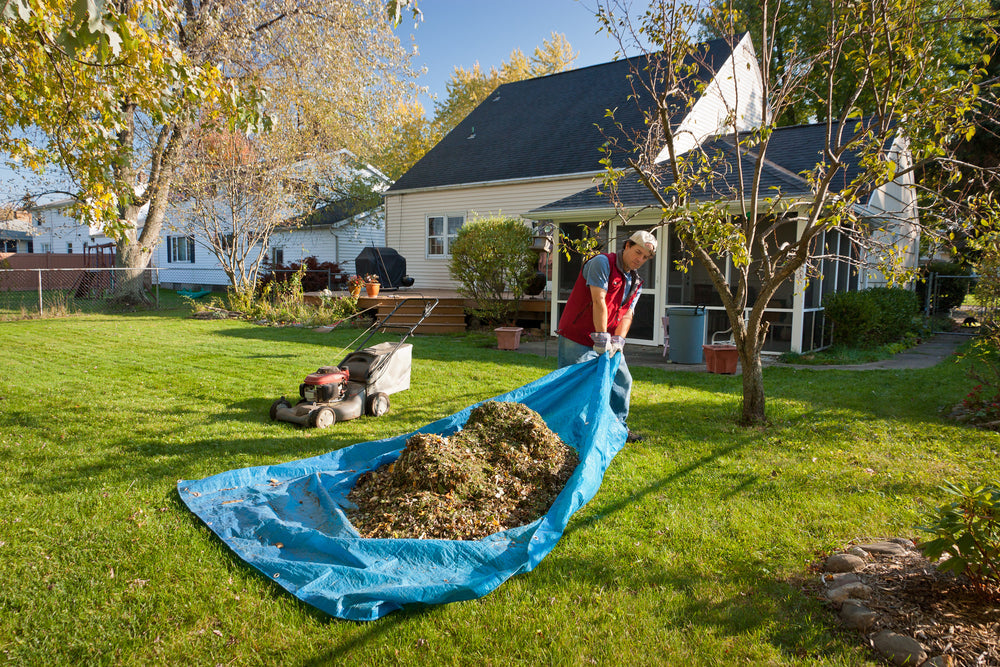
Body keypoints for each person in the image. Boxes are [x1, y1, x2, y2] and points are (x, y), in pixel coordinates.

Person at [556, 230, 656, 443]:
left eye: (645, 257)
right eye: (637, 252)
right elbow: (598, 300)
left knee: (622, 379)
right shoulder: (602, 263)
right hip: (578, 335)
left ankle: (617, 427)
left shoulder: (636, 281)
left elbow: (628, 313)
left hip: (608, 339)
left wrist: (618, 339)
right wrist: (601, 336)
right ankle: (567, 431)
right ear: (627, 246)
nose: (640, 259)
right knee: (573, 383)